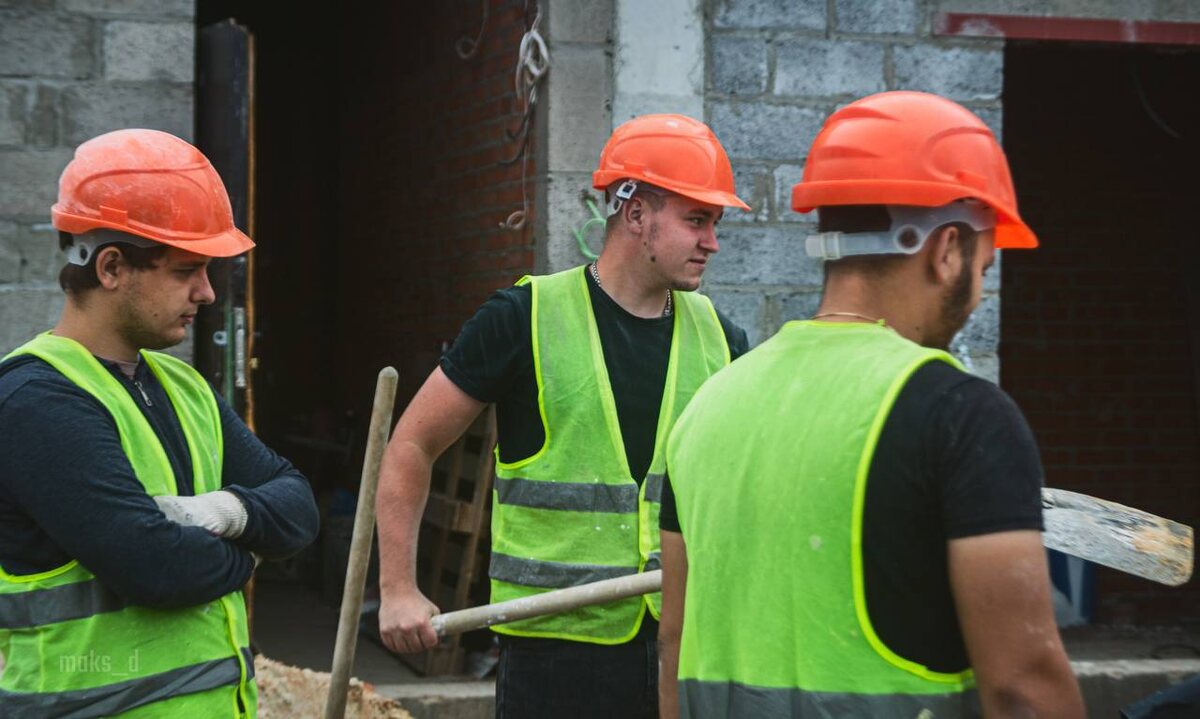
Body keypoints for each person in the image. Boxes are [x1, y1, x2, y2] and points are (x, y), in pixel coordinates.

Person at [657, 92, 1085, 718]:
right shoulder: (960, 416)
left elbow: (673, 644)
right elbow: (1022, 687)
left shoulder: (707, 408)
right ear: (947, 251)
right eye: (984, 267)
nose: (978, 294)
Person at [376, 114, 751, 717]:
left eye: (715, 223)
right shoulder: (523, 318)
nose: (713, 242)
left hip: (680, 641)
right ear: (636, 214)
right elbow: (412, 445)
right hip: (552, 652)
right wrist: (398, 590)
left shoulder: (721, 339)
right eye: (697, 220)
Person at [0, 128, 319, 717]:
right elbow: (156, 568)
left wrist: (226, 512)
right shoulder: (36, 400)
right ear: (112, 267)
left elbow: (299, 508)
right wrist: (251, 554)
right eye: (186, 271)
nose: (207, 293)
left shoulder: (183, 387)